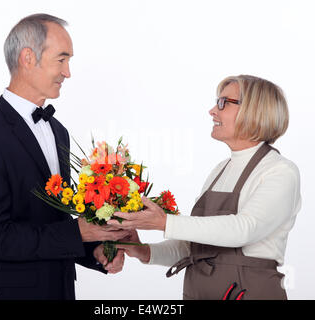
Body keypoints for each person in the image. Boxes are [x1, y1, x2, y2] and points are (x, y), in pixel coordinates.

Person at [0, 13, 129, 300]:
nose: (68, 72)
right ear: (28, 58)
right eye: (62, 60)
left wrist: (94, 251)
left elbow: (54, 222)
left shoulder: (58, 131)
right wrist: (78, 234)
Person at [109, 75, 301, 300]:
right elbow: (195, 247)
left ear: (254, 110)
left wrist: (164, 222)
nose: (212, 110)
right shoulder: (221, 169)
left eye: (223, 103)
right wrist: (145, 251)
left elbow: (244, 229)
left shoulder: (280, 171)